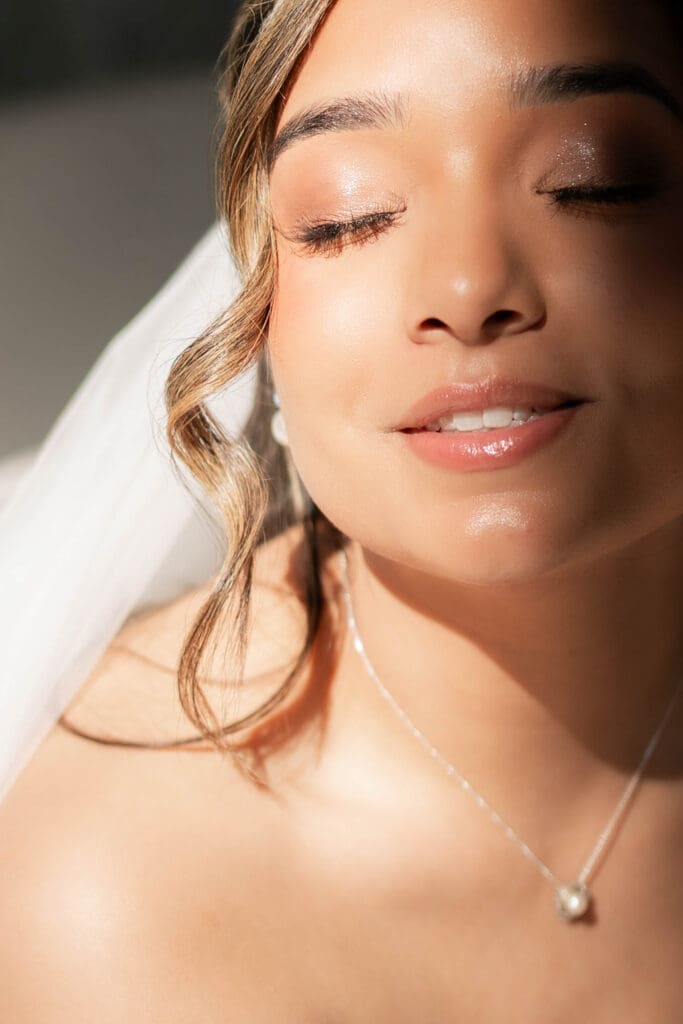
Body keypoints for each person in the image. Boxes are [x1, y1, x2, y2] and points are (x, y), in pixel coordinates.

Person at [1, 0, 683, 1018]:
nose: (466, 286)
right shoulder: (107, 891)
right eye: (349, 214)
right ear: (255, 304)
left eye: (590, 179)